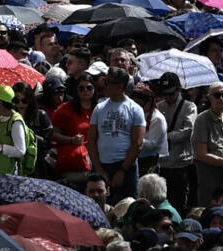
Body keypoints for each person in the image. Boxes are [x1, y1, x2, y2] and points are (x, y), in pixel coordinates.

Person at [88, 67, 146, 201]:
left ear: (120, 86)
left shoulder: (135, 109)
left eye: (108, 82)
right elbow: (91, 140)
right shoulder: (99, 108)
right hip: (101, 165)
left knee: (127, 205)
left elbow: (137, 143)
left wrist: (122, 171)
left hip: (126, 167)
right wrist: (98, 169)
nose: (104, 85)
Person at [192, 81, 223, 208]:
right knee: (209, 206)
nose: (221, 98)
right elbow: (201, 154)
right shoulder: (202, 119)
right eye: (217, 95)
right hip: (209, 172)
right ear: (209, 98)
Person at [155, 72, 197, 214]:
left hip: (181, 163)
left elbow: (187, 132)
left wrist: (166, 136)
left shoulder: (189, 107)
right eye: (165, 94)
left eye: (171, 94)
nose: (168, 97)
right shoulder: (159, 106)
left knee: (180, 203)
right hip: (163, 163)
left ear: (179, 90)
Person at [52, 75, 96, 183]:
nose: (85, 91)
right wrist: (71, 139)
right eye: (81, 88)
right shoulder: (65, 108)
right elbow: (54, 134)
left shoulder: (100, 108)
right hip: (75, 161)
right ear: (76, 90)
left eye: (89, 87)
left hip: (97, 159)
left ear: (94, 89)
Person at [0, 84, 29, 179]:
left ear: (1, 102)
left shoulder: (16, 122)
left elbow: (20, 151)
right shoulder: (1, 118)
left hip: (7, 178)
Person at [133, 82, 168, 175]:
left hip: (150, 161)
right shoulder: (137, 114)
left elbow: (152, 144)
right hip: (135, 158)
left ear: (149, 101)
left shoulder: (157, 118)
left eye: (140, 104)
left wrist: (135, 136)